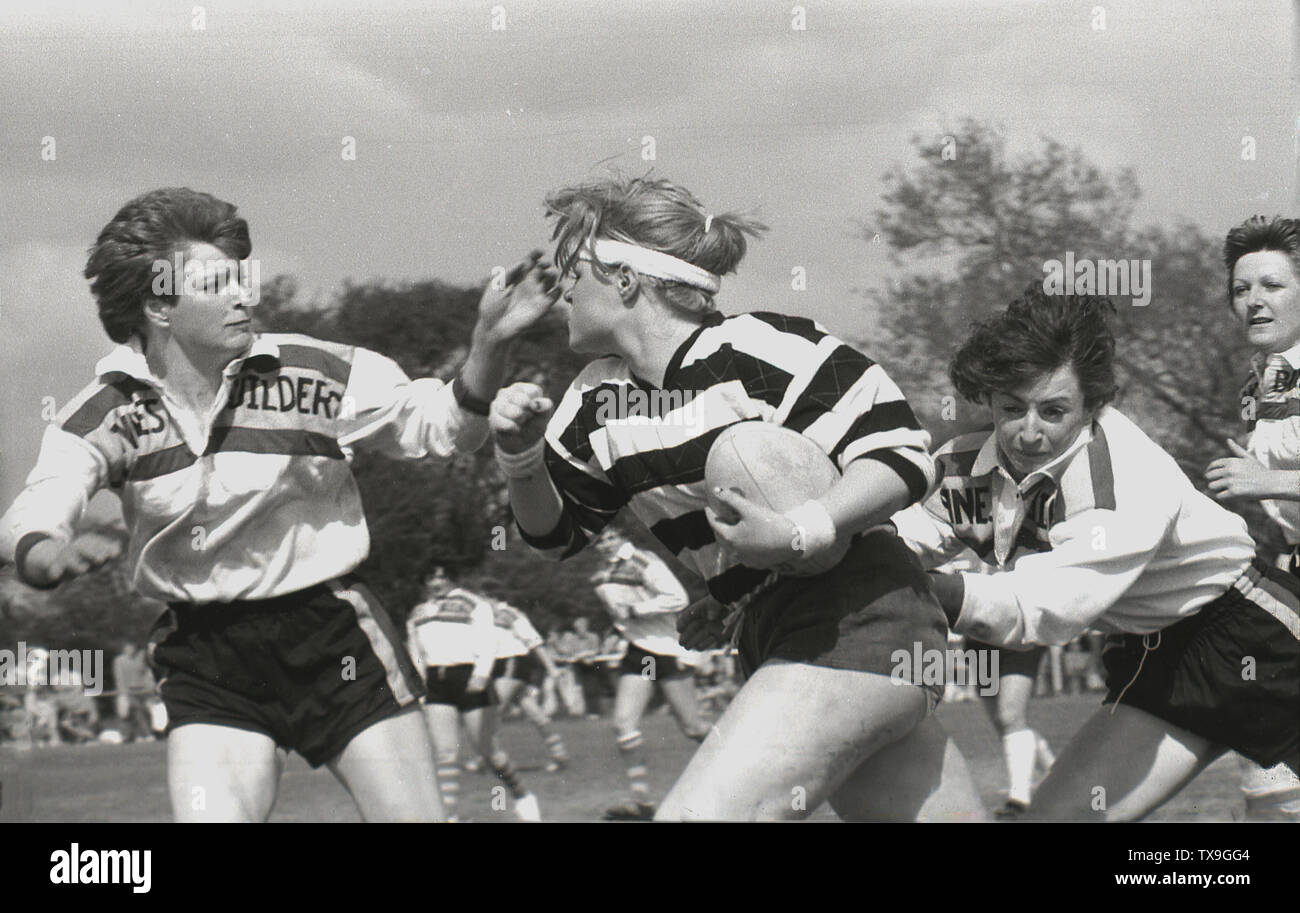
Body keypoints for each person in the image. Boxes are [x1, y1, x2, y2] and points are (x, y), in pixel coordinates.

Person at [0, 188, 559, 821]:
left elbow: (441, 426)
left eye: (242, 278)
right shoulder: (104, 414)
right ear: (159, 304)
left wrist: (489, 339)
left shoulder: (311, 371)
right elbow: (38, 508)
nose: (245, 295)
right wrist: (48, 554)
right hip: (208, 662)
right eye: (218, 284)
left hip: (332, 640)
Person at [491, 174, 985, 821]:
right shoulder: (592, 401)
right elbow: (554, 535)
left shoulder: (759, 347)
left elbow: (898, 453)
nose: (561, 287)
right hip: (784, 632)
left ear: (624, 279)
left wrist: (805, 529)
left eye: (571, 267)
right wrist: (520, 456)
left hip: (862, 614)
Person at [901, 286, 1299, 821]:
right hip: (1154, 659)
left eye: (1054, 410)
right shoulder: (963, 468)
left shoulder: (1124, 473)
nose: (1030, 431)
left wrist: (922, 590)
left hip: (1259, 640)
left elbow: (1046, 605)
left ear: (1093, 404)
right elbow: (901, 537)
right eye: (1012, 408)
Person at [1204, 215, 1300, 822]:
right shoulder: (1260, 383)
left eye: (1272, 285)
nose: (1254, 301)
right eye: (1242, 290)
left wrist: (1267, 481)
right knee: (1264, 735)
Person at [588, 527, 709, 820]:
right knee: (623, 725)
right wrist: (619, 628)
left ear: (622, 537)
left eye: (609, 538)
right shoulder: (602, 572)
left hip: (668, 649)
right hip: (639, 651)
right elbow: (619, 611)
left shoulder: (643, 561)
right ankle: (641, 802)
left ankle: (743, 760)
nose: (604, 544)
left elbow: (677, 597)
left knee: (692, 727)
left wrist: (636, 611)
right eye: (598, 541)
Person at [406, 571, 542, 821]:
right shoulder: (418, 612)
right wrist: (419, 681)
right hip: (437, 681)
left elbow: (488, 642)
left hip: (470, 677)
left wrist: (481, 674)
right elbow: (415, 649)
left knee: (489, 752)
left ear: (452, 577)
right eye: (430, 578)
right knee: (445, 754)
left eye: (441, 577)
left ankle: (523, 796)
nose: (436, 583)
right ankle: (449, 816)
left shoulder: (475, 604)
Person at [486, 597, 569, 772]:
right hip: (499, 665)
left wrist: (551, 667)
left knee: (492, 711)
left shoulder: (510, 613)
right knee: (533, 712)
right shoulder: (480, 614)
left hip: (511, 662)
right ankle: (559, 754)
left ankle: (490, 758)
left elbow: (534, 640)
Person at [111, 642, 155, 740]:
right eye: (128, 648)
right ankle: (145, 734)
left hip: (143, 690)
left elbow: (147, 673)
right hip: (128, 691)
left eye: (132, 648)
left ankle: (141, 734)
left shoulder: (141, 657)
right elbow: (119, 677)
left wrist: (149, 685)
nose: (130, 650)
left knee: (145, 711)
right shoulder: (119, 660)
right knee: (134, 711)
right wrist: (123, 692)